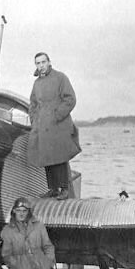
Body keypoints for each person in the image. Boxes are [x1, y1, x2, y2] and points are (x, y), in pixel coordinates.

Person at [29, 52, 81, 200]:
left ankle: (64, 188)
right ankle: (53, 188)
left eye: (43, 62)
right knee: (46, 156)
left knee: (60, 155)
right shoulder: (37, 83)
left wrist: (57, 115)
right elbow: (32, 103)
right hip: (42, 125)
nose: (41, 65)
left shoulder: (60, 78)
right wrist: (34, 119)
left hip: (59, 124)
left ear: (49, 62)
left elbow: (70, 99)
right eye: (38, 63)